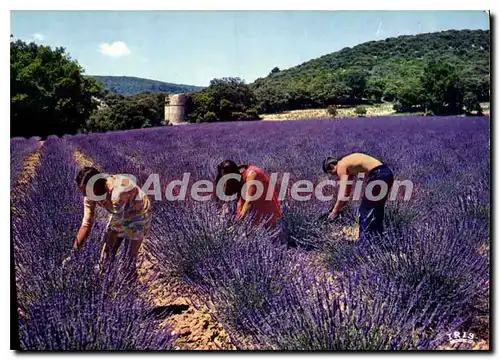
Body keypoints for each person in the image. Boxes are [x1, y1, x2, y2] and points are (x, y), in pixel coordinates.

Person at [69, 166, 152, 282]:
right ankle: (105, 283)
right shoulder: (90, 194)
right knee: (105, 259)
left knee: (128, 261)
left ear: (97, 185)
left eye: (85, 191)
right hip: (119, 213)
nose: (84, 195)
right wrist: (74, 253)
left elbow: (118, 227)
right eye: (82, 192)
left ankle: (131, 286)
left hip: (139, 214)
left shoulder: (118, 191)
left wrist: (110, 245)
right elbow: (87, 224)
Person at [323, 153, 394, 241]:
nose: (335, 175)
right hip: (386, 173)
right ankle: (378, 241)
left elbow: (343, 193)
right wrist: (340, 208)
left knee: (365, 210)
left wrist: (334, 212)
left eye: (332, 173)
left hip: (378, 175)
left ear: (332, 165)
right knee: (377, 209)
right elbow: (347, 193)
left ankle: (364, 245)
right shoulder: (348, 164)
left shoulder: (341, 165)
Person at [215, 160, 282, 228]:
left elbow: (249, 202)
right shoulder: (236, 176)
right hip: (253, 211)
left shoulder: (252, 174)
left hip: (265, 208)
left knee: (268, 231)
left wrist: (237, 224)